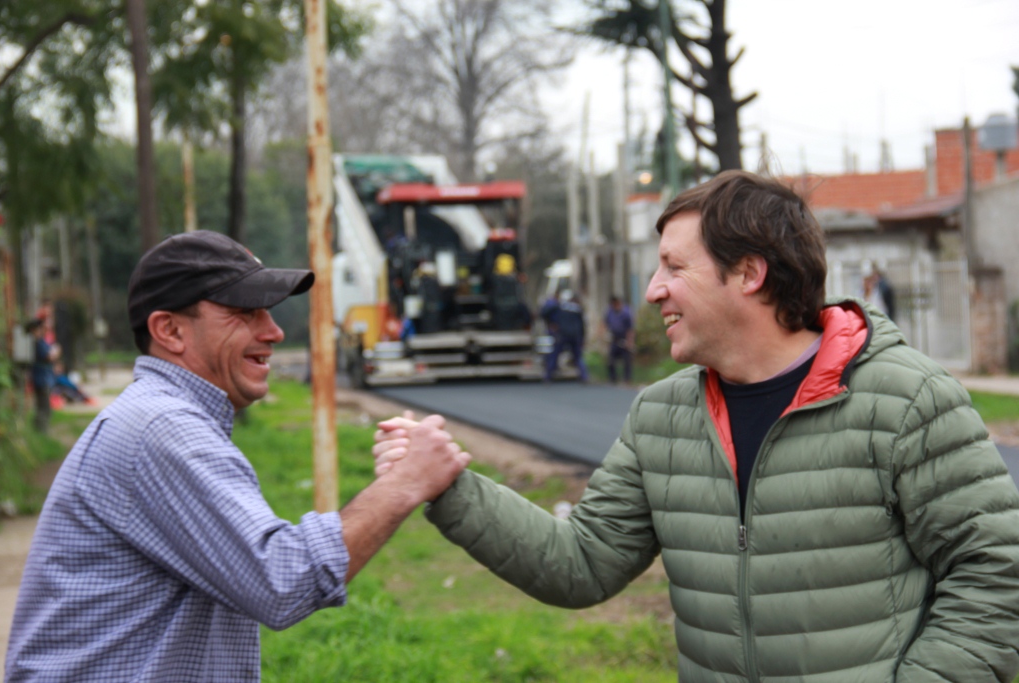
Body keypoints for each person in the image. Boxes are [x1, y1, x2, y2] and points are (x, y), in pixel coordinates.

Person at [375, 172, 1019, 682]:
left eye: (673, 268)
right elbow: (580, 564)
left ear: (749, 272)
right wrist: (446, 487)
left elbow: (996, 572)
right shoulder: (661, 417)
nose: (653, 290)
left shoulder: (907, 399)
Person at [5, 230, 470, 683]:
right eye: (244, 312)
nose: (273, 331)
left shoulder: (162, 418)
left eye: (266, 311)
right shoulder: (163, 428)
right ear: (169, 330)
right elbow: (282, 581)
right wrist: (405, 483)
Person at [542, 289, 588, 382]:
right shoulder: (577, 309)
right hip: (575, 336)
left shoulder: (559, 307)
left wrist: (551, 324)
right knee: (578, 356)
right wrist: (582, 337)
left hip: (562, 334)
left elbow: (544, 313)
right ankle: (584, 376)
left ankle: (548, 376)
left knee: (555, 355)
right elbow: (582, 325)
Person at [25, 317, 59, 434]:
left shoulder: (41, 341)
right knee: (43, 408)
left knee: (44, 406)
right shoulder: (37, 343)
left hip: (44, 378)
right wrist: (55, 351)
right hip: (41, 379)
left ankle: (41, 431)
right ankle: (41, 431)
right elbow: (49, 356)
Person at [603, 295, 634, 384]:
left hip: (624, 338)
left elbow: (630, 329)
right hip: (614, 338)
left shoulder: (626, 312)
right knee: (611, 359)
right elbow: (604, 323)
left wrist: (629, 341)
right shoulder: (610, 312)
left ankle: (627, 379)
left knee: (627, 360)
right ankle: (613, 378)